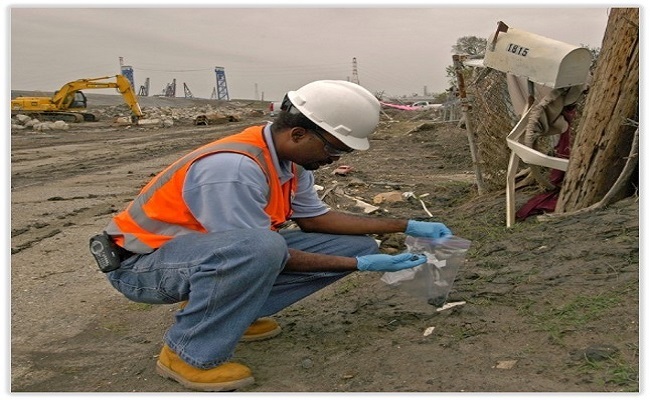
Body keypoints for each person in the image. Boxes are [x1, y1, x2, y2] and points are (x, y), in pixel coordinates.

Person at [93, 80, 452, 392]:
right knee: (264, 247)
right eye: (334, 149)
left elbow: (317, 221)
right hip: (142, 267)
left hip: (197, 258)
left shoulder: (291, 163)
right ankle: (187, 352)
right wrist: (357, 265)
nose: (334, 158)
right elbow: (254, 251)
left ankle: (233, 316)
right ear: (298, 134)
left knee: (352, 243)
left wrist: (404, 225)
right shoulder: (233, 169)